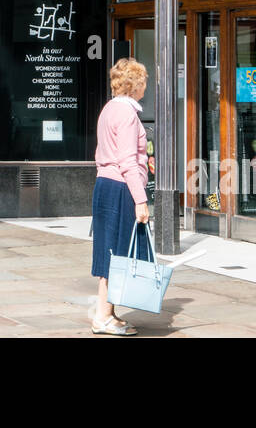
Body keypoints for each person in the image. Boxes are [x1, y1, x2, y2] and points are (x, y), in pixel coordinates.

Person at [90, 57, 152, 337]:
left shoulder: (109, 109)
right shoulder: (127, 114)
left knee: (110, 251)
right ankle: (103, 317)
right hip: (121, 188)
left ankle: (107, 312)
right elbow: (127, 161)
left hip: (105, 183)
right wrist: (140, 200)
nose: (146, 86)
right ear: (135, 84)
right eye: (144, 81)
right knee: (118, 254)